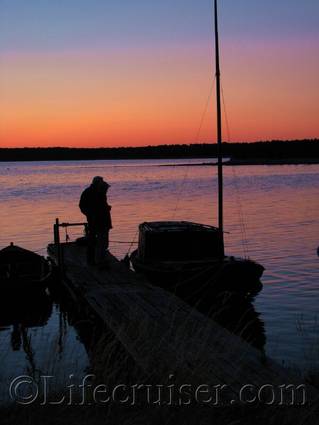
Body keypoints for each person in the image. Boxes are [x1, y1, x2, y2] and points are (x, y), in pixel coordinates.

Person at [79, 176, 112, 265]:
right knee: (94, 241)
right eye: (101, 183)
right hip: (95, 221)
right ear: (96, 183)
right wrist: (90, 214)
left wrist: (106, 208)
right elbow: (82, 206)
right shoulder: (88, 192)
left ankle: (100, 259)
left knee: (102, 242)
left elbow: (102, 206)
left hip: (103, 221)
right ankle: (94, 261)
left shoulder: (101, 192)